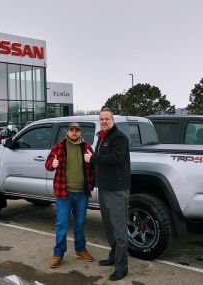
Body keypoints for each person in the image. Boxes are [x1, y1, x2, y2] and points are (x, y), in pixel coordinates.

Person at [84, 108, 131, 281]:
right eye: (101, 119)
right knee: (109, 227)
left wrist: (93, 159)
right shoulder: (102, 137)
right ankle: (113, 256)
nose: (104, 121)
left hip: (117, 190)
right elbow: (103, 158)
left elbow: (116, 158)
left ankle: (122, 267)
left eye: (107, 118)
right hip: (105, 188)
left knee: (119, 231)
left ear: (113, 120)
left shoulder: (119, 138)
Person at [45, 122, 95, 268]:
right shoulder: (59, 147)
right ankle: (58, 254)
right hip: (64, 193)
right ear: (67, 132)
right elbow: (48, 164)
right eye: (71, 130)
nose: (74, 133)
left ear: (80, 133)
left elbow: (93, 168)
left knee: (80, 223)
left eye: (76, 130)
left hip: (81, 194)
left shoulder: (87, 148)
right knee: (62, 224)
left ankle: (80, 249)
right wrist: (52, 165)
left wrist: (90, 185)